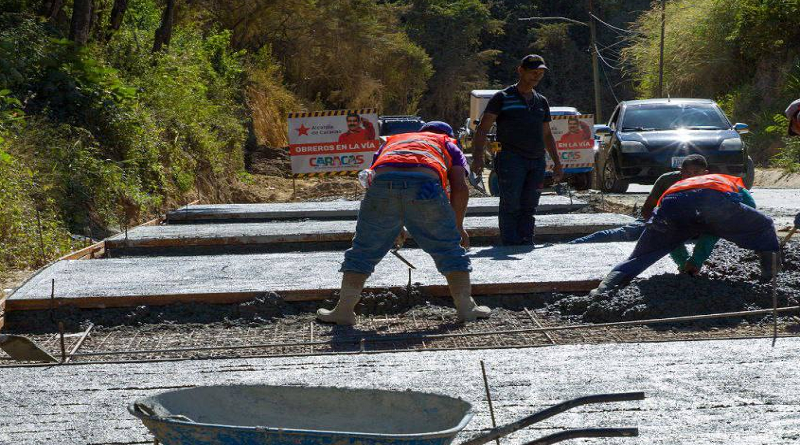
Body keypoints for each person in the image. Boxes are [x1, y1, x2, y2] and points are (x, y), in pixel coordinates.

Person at [317, 121, 490, 325]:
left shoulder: (394, 141)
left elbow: (382, 177)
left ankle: (343, 311)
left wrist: (394, 224)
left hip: (381, 188)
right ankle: (466, 309)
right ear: (449, 135)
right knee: (448, 248)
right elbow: (460, 187)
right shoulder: (448, 144)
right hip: (425, 187)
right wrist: (458, 226)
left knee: (363, 249)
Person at [590, 173, 781, 296]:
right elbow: (719, 228)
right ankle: (768, 279)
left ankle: (603, 290)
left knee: (640, 256)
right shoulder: (734, 185)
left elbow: (670, 240)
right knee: (764, 224)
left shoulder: (680, 186)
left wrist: (684, 263)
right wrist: (695, 262)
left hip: (670, 205)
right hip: (712, 201)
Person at [570, 155, 755, 275]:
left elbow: (715, 230)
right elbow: (648, 210)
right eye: (687, 173)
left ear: (705, 173)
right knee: (625, 233)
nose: (691, 177)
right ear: (680, 173)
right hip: (662, 219)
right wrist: (682, 260)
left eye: (696, 173)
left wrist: (695, 261)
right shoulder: (668, 182)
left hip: (705, 222)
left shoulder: (714, 186)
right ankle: (570, 246)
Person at [471, 54, 564, 245]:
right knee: (511, 204)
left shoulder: (541, 101)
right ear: (521, 71)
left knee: (530, 205)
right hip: (510, 159)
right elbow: (482, 129)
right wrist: (478, 158)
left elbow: (547, 134)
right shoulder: (502, 97)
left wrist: (557, 162)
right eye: (532, 72)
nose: (536, 76)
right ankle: (510, 244)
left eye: (540, 73)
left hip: (536, 160)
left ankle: (526, 241)